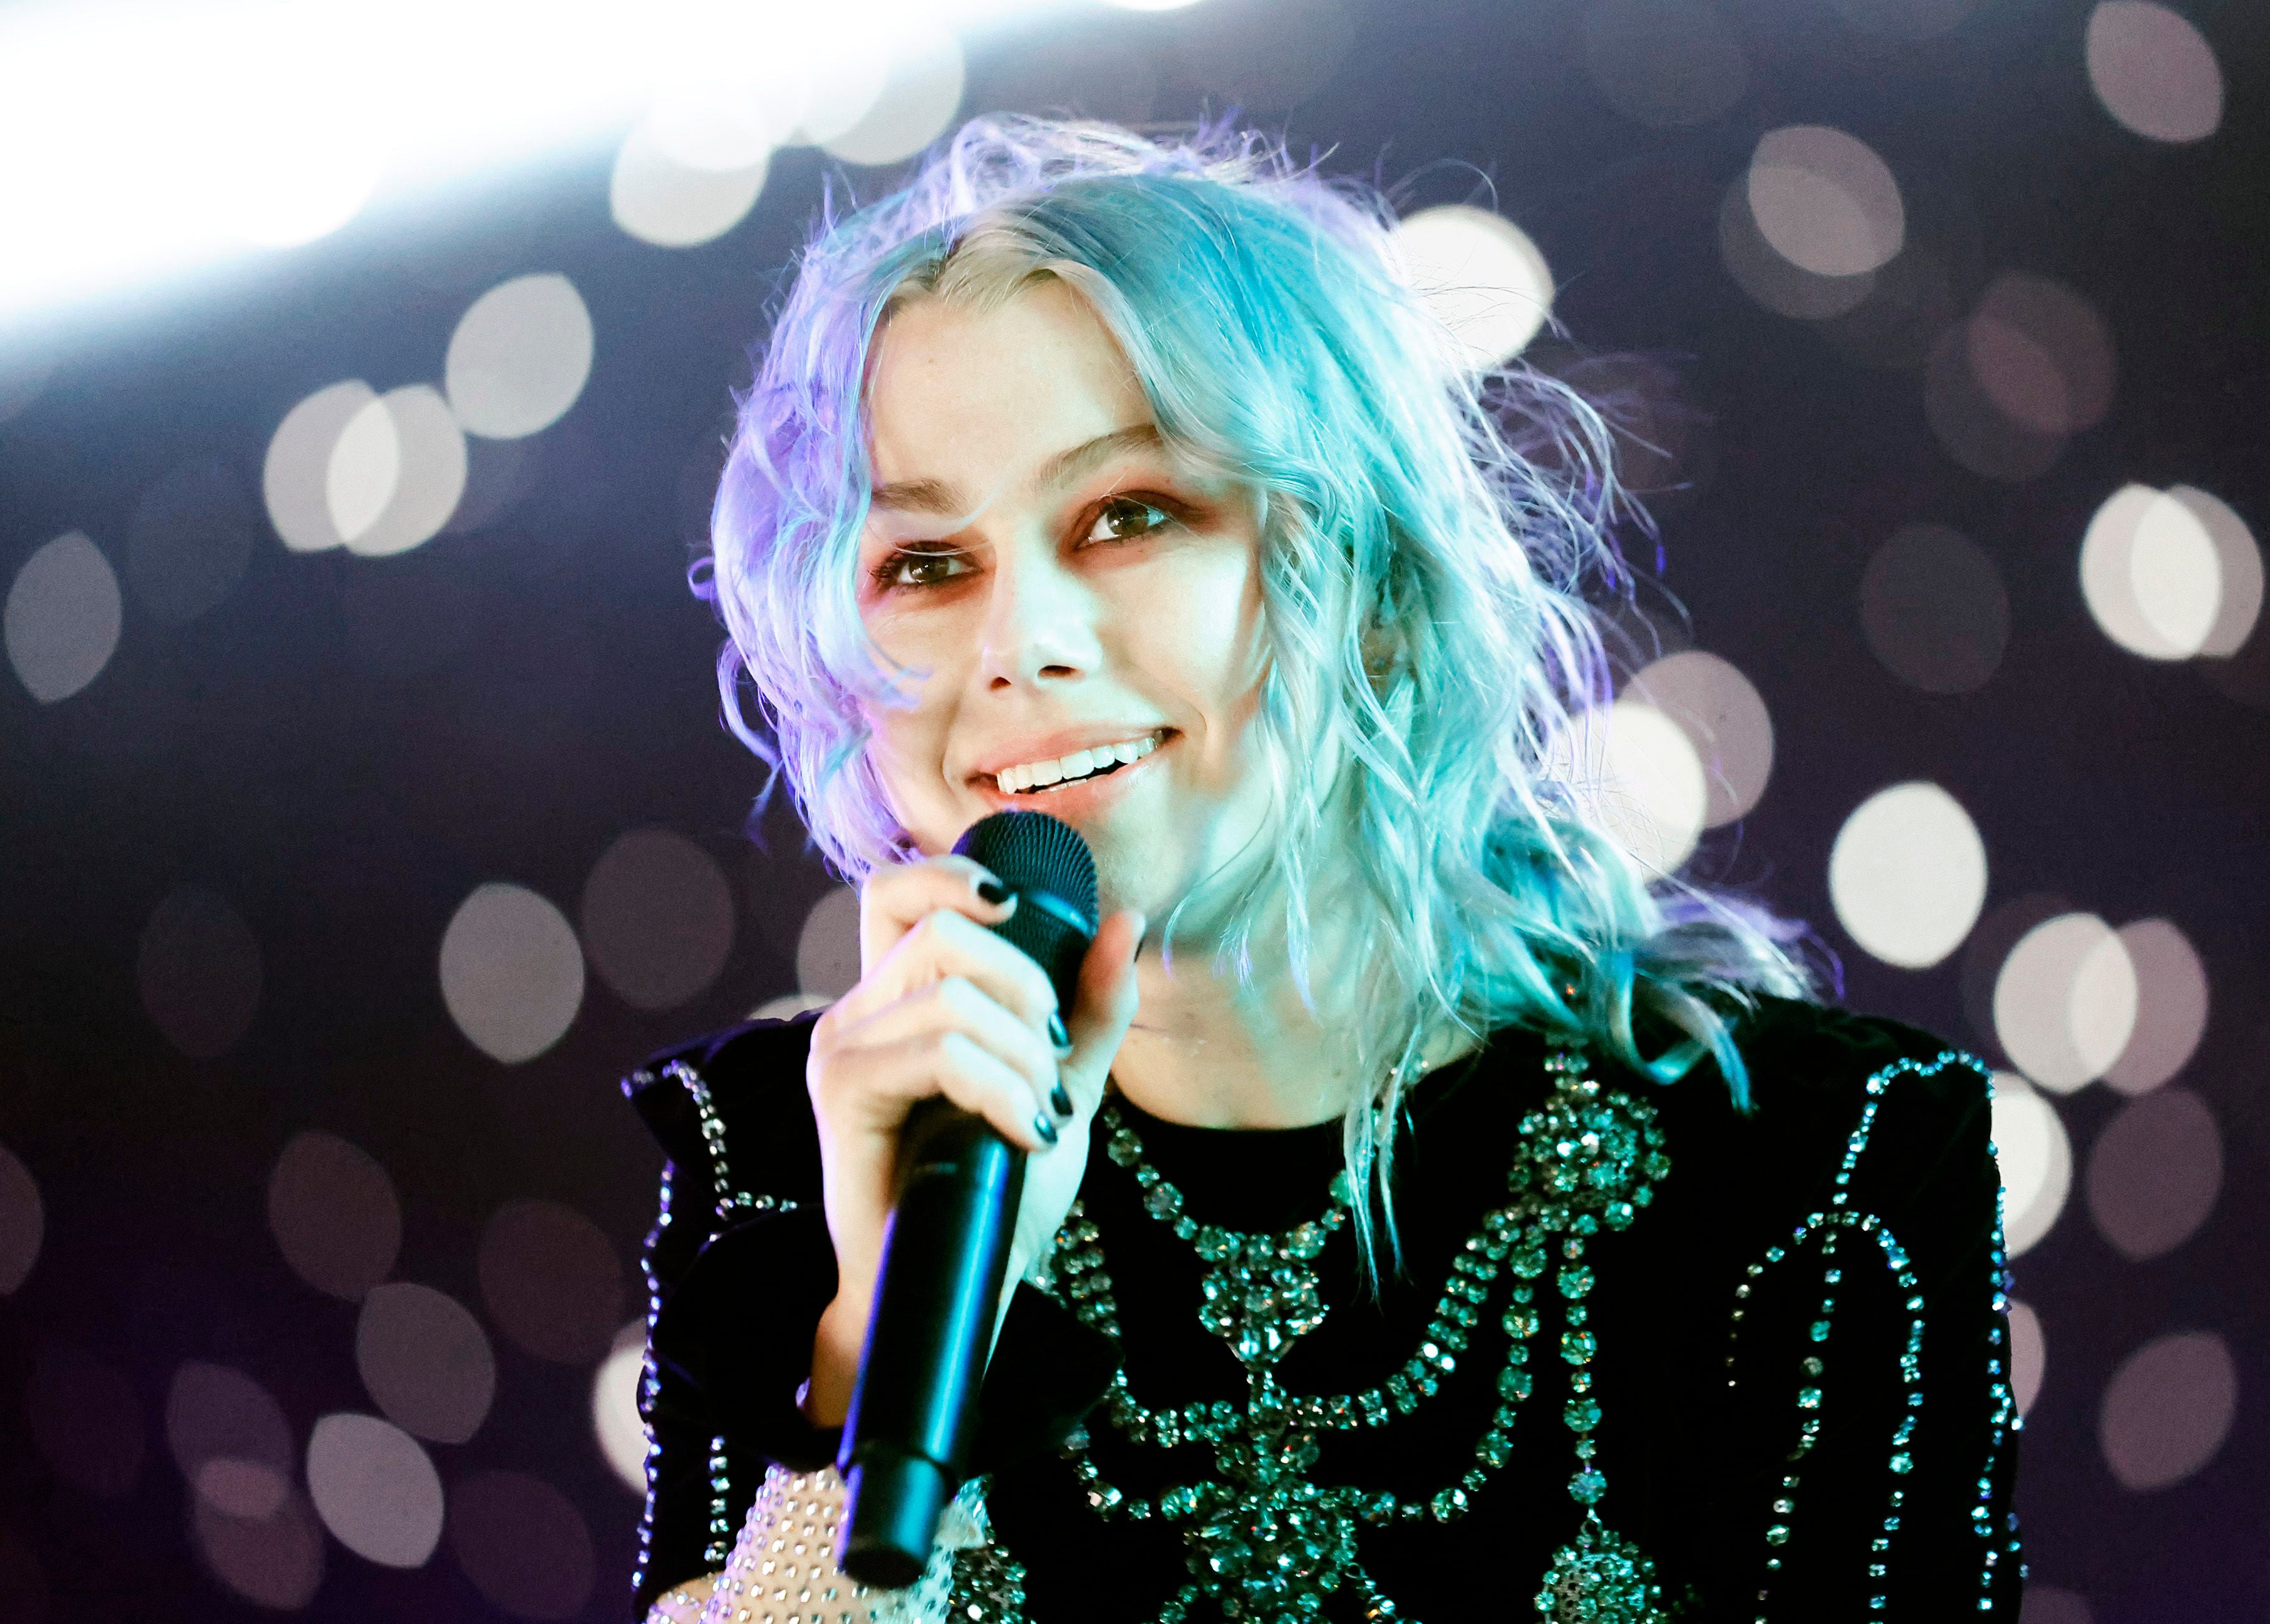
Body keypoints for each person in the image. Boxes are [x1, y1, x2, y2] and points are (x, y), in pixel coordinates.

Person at [619, 114, 2024, 1623]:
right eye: (925, 564)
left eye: (1129, 515)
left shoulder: (1820, 1177)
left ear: (1378, 593)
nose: (1012, 642)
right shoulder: (795, 1157)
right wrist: (887, 1340)